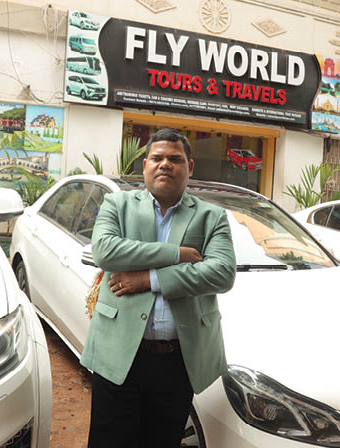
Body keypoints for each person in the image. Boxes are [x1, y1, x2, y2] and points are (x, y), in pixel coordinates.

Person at [80, 128, 236, 448]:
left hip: (177, 362)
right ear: (145, 166)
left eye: (175, 159)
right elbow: (105, 252)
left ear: (189, 167)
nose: (165, 164)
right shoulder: (117, 204)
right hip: (118, 354)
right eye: (157, 158)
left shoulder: (212, 216)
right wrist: (177, 254)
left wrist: (149, 280)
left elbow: (222, 273)